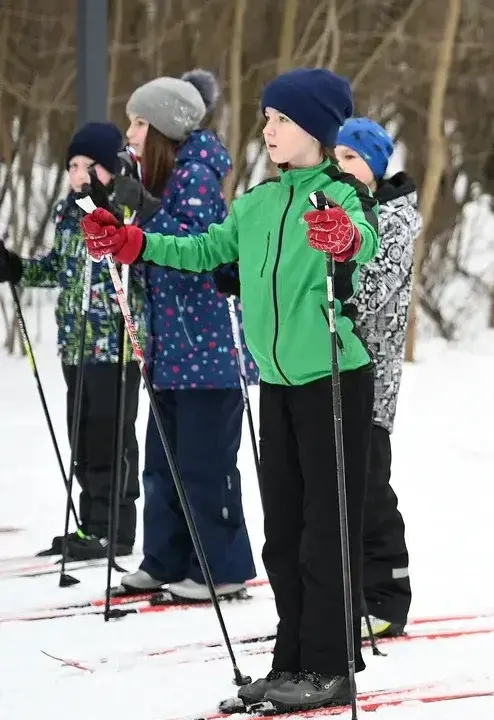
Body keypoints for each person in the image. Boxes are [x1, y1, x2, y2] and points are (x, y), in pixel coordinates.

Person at [79, 66, 379, 713]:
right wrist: (131, 241)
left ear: (318, 130)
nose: (267, 130)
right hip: (276, 381)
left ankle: (330, 664)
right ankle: (292, 659)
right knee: (283, 531)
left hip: (332, 376)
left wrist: (343, 240)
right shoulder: (257, 203)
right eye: (266, 118)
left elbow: (363, 238)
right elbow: (204, 249)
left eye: (282, 121)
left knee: (325, 529)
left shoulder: (338, 193)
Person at [111, 68, 259, 603]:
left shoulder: (197, 175)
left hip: (208, 352)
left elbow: (198, 251)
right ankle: (165, 556)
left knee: (203, 467)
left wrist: (145, 215)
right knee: (161, 465)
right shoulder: (161, 177)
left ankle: (221, 568)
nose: (129, 133)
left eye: (138, 123)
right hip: (171, 352)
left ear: (164, 130)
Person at [0, 121, 146, 560]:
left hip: (114, 346)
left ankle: (115, 527)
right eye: (73, 166)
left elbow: (139, 261)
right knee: (82, 436)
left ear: (113, 168)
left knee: (110, 437)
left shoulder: (128, 207)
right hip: (76, 345)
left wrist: (117, 213)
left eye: (91, 166)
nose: (79, 175)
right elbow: (62, 270)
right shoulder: (69, 211)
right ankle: (91, 523)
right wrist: (18, 268)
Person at [334, 116, 421, 637]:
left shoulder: (393, 221)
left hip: (371, 376)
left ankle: (388, 596)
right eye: (337, 158)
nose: (341, 168)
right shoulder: (341, 210)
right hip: (329, 370)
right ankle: (346, 592)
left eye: (352, 159)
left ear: (373, 167)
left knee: (369, 487)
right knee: (338, 487)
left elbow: (365, 295)